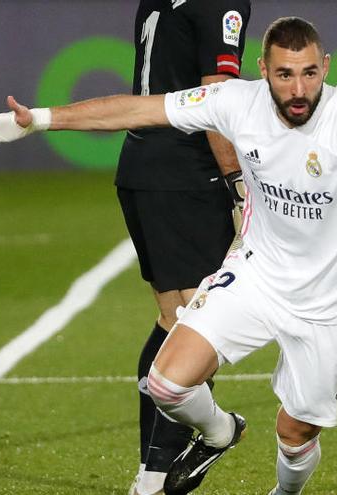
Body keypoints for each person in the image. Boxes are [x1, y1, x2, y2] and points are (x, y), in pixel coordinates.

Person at [0, 16, 337, 495]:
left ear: (326, 67)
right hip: (256, 274)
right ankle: (219, 432)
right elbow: (140, 109)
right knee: (164, 383)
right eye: (283, 75)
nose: (297, 90)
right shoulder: (237, 101)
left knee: (295, 431)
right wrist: (41, 120)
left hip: (332, 303)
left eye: (307, 74)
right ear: (263, 70)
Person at [115, 2, 250, 494]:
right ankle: (212, 434)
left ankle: (150, 475)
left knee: (173, 320)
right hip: (185, 174)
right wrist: (236, 180)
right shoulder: (222, 3)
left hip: (140, 168)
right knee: (196, 326)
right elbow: (214, 96)